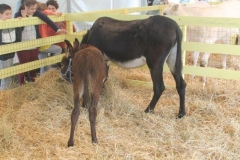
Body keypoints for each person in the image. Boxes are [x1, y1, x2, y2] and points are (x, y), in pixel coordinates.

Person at [14, 0, 67, 85]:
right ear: (26, 7)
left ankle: (33, 82)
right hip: (23, 46)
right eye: (32, 9)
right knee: (23, 66)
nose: (34, 10)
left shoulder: (35, 13)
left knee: (33, 65)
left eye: (35, 8)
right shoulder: (17, 15)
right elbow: (18, 32)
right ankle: (22, 84)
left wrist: (58, 29)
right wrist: (22, 20)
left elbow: (46, 19)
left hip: (34, 45)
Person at [37, 2, 62, 75]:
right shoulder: (43, 16)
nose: (50, 10)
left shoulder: (37, 18)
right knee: (59, 49)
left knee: (42, 64)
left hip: (40, 45)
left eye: (53, 9)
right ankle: (50, 67)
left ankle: (42, 78)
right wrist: (54, 13)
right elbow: (45, 12)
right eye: (49, 9)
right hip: (44, 44)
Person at [0, 4, 21, 90]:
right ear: (0, 15)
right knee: (5, 75)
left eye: (10, 14)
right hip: (3, 55)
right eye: (7, 14)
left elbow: (17, 34)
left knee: (10, 72)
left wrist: (18, 23)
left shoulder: (11, 23)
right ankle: (4, 93)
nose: (9, 16)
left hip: (11, 52)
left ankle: (8, 90)